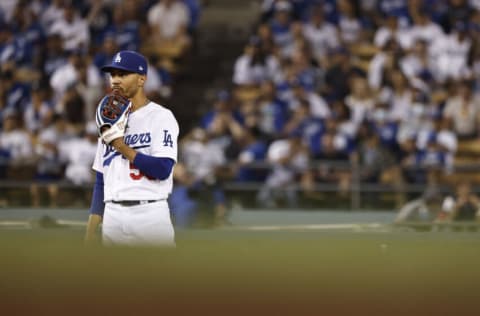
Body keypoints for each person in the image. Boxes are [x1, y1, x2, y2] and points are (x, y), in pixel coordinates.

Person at [84, 50, 179, 246]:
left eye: (123, 74)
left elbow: (162, 169)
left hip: (149, 214)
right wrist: (90, 232)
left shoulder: (160, 117)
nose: (115, 80)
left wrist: (120, 145)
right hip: (112, 216)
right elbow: (101, 180)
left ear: (142, 79)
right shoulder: (108, 120)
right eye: (113, 75)